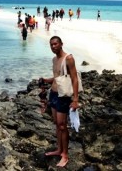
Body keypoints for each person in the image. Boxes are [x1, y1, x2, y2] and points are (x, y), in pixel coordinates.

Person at [36, 36, 81, 167]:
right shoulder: (54, 59)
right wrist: (46, 80)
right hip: (53, 94)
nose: (53, 46)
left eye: (55, 44)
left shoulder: (69, 59)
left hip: (63, 96)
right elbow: (57, 78)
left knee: (62, 125)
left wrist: (76, 99)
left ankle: (65, 155)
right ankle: (59, 149)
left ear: (61, 44)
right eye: (51, 45)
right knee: (56, 123)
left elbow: (74, 79)